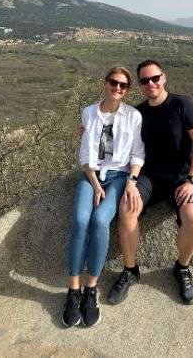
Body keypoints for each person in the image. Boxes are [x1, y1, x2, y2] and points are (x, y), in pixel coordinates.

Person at [107, 59, 193, 306]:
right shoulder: (138, 113)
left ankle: (182, 268)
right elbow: (114, 133)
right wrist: (88, 129)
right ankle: (130, 270)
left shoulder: (182, 104)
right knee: (126, 209)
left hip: (181, 178)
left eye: (155, 78)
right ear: (140, 85)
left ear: (164, 77)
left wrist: (192, 180)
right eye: (144, 80)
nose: (150, 83)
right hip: (149, 177)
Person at [62, 67, 145, 328]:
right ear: (105, 83)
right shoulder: (89, 112)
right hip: (92, 175)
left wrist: (131, 182)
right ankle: (73, 289)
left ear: (127, 90)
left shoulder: (133, 116)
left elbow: (137, 155)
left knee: (100, 221)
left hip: (119, 176)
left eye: (123, 86)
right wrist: (97, 185)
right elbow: (85, 156)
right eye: (113, 83)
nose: (117, 89)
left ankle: (91, 289)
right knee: (80, 219)